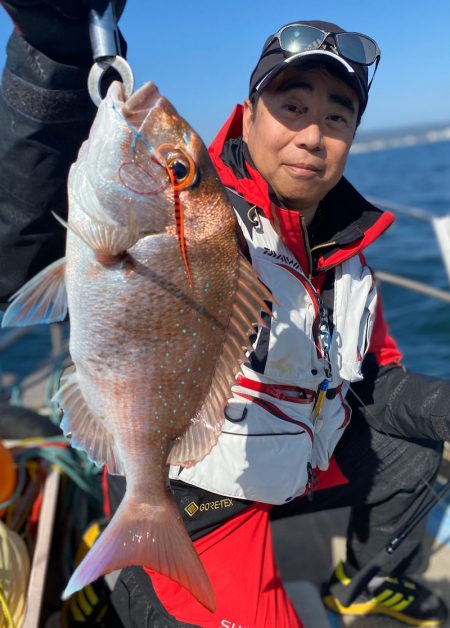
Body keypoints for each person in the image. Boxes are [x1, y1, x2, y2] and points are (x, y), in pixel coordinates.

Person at [0, 3, 449, 627]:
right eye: (293, 106)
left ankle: (366, 583)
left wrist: (438, 403)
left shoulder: (347, 259)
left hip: (293, 463)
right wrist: (53, 56)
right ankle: (134, 545)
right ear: (250, 110)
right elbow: (20, 250)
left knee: (418, 453)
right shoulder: (213, 219)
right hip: (195, 494)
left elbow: (367, 379)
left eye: (337, 116)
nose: (313, 136)